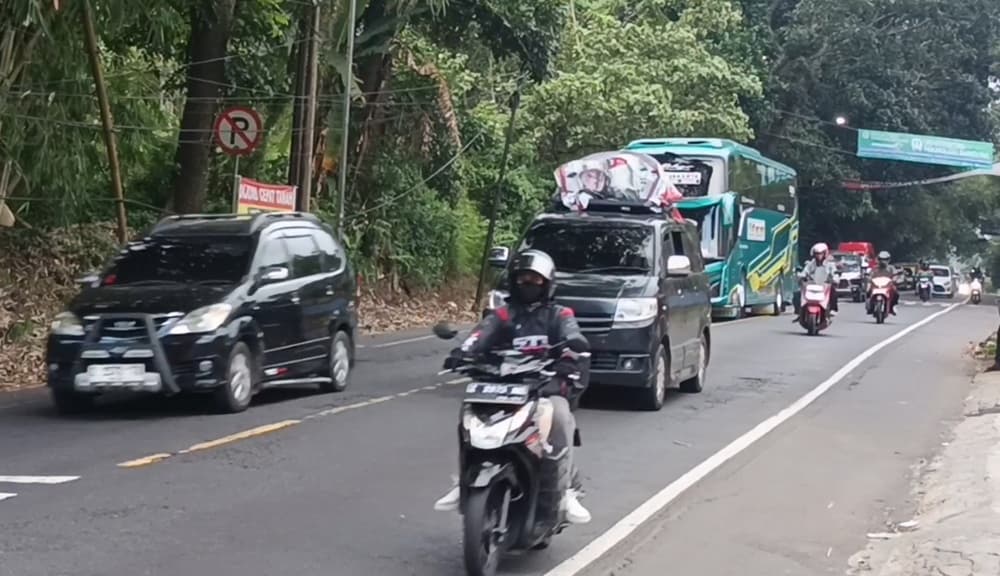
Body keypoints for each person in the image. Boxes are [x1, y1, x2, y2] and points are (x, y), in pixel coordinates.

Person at [433, 249, 592, 524]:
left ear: (548, 283)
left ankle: (567, 491)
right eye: (522, 279)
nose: (527, 285)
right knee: (469, 415)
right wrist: (463, 352)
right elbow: (479, 335)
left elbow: (572, 337)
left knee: (559, 414)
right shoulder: (503, 315)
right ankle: (463, 482)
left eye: (535, 280)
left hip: (544, 386)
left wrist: (567, 361)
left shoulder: (559, 315)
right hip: (502, 385)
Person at [798, 242, 839, 316]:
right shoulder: (811, 264)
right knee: (798, 292)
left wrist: (834, 279)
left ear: (824, 254)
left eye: (820, 253)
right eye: (816, 253)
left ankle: (833, 309)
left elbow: (834, 273)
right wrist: (801, 276)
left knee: (833, 291)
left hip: (825, 284)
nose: (818, 255)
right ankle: (799, 311)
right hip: (812, 285)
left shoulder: (829, 264)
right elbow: (805, 271)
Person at [867, 250, 899, 315]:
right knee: (868, 291)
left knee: (896, 293)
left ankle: (892, 306)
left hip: (888, 286)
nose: (883, 261)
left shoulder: (891, 268)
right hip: (876, 286)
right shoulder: (875, 268)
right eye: (881, 259)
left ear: (888, 260)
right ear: (878, 260)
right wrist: (869, 278)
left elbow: (895, 275)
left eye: (885, 259)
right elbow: (870, 275)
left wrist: (894, 279)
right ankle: (870, 306)